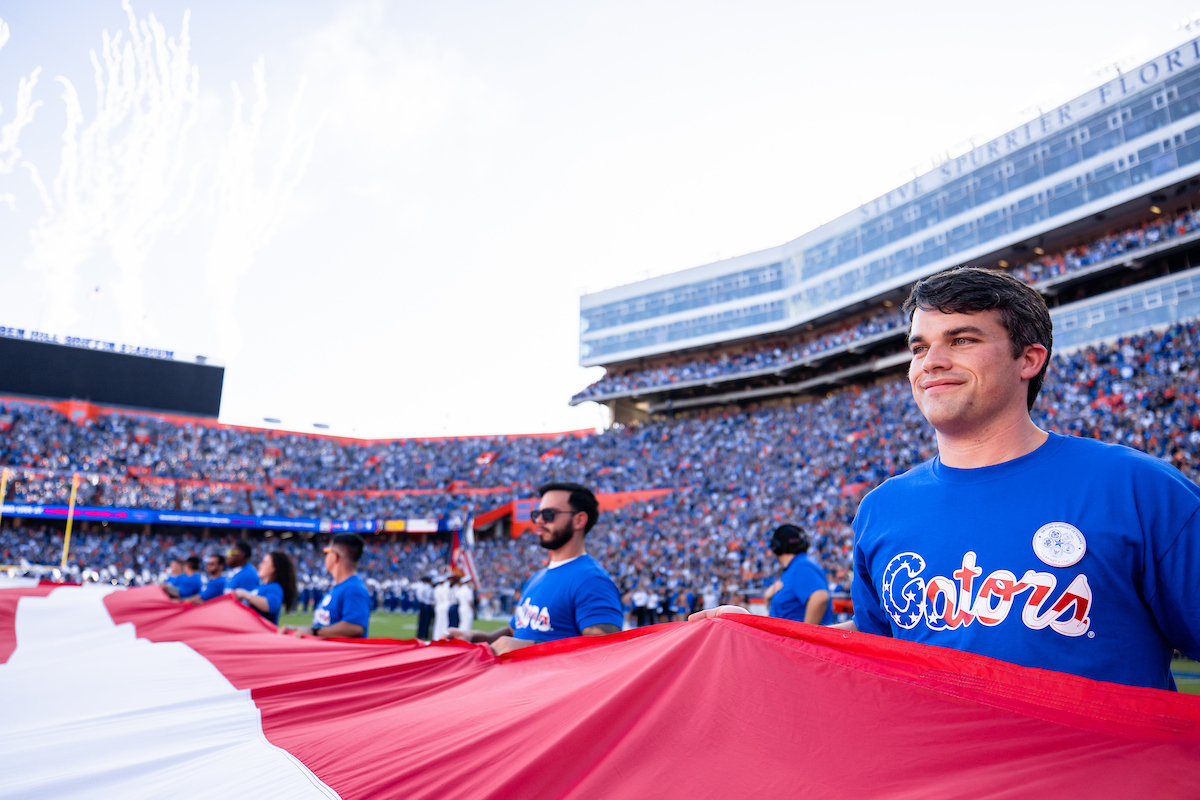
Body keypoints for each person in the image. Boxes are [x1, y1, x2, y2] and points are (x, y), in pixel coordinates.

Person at [694, 267, 1200, 691]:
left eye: (961, 340)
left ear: (1029, 358)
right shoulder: (882, 508)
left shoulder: (1138, 488)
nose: (931, 362)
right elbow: (881, 644)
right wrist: (758, 634)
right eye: (919, 347)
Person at [447, 482, 623, 655]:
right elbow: (515, 633)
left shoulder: (591, 580)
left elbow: (606, 653)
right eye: (537, 514)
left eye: (548, 514)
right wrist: (474, 637)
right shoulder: (538, 577)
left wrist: (532, 647)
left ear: (579, 520)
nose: (538, 520)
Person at [280, 533, 371, 638]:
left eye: (327, 552)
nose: (325, 557)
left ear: (335, 557)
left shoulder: (353, 589)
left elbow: (354, 627)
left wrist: (313, 632)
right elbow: (324, 627)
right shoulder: (339, 588)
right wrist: (298, 629)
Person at [762, 524, 832, 625]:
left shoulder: (801, 566)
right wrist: (769, 598)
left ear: (776, 546)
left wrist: (806, 635)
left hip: (795, 640)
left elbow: (820, 597)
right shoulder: (794, 567)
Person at [235, 551, 297, 626]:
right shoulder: (261, 586)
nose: (260, 565)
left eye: (264, 563)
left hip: (262, 634)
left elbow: (270, 605)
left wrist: (245, 595)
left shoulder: (275, 587)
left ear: (274, 568)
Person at [432, 576, 453, 641]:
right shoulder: (446, 587)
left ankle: (436, 636)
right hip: (444, 605)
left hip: (438, 606)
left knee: (438, 622)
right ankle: (442, 636)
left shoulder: (437, 588)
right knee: (445, 622)